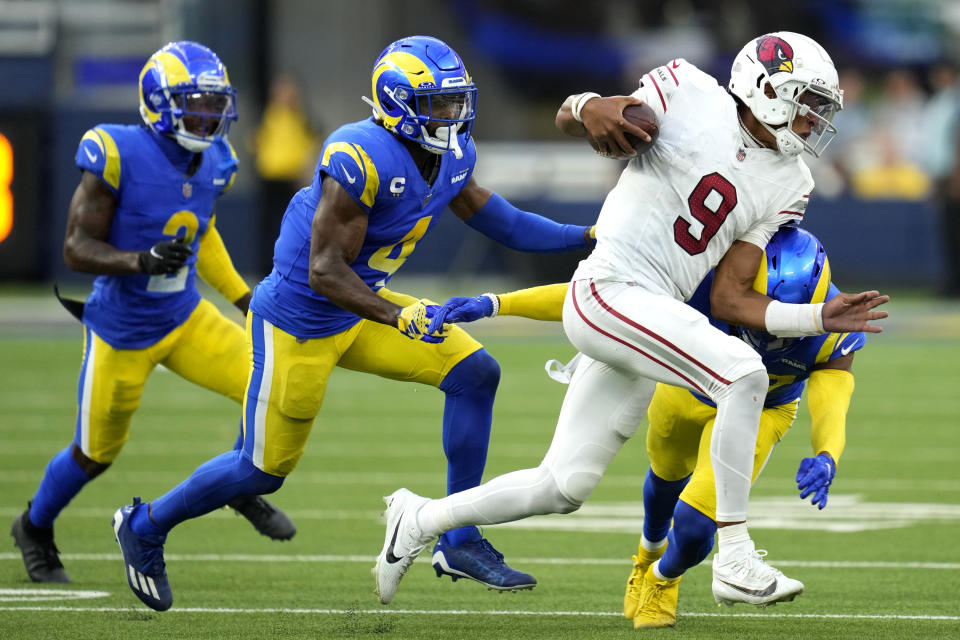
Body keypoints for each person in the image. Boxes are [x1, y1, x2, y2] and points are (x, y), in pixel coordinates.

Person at [373, 32, 889, 606]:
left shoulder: (792, 181)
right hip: (611, 287)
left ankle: (416, 518)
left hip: (652, 312)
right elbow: (573, 114)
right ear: (768, 89)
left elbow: (730, 300)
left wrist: (820, 316)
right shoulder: (690, 93)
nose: (815, 119)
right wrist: (586, 106)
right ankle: (735, 557)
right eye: (808, 101)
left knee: (563, 485)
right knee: (744, 373)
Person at [111, 35, 597, 612]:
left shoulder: (450, 152)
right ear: (397, 103)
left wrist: (584, 237)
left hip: (364, 306)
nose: (453, 115)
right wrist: (399, 314)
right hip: (302, 320)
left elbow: (501, 221)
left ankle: (458, 537)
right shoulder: (359, 154)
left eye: (455, 101)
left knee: (475, 373)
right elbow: (323, 271)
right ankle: (144, 524)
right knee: (262, 471)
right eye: (438, 105)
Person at [422, 226, 860, 628]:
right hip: (687, 389)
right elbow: (590, 300)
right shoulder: (702, 280)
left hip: (764, 409)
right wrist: (499, 304)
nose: (774, 331)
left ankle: (661, 577)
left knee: (696, 528)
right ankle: (646, 552)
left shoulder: (833, 327)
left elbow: (833, 395)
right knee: (665, 478)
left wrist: (827, 454)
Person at [9, 42, 296, 585]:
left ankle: (236, 483)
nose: (209, 116)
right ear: (158, 105)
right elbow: (75, 247)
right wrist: (138, 260)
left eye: (215, 105)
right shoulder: (115, 152)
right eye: (196, 104)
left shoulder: (216, 159)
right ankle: (34, 525)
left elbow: (200, 233)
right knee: (95, 454)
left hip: (184, 316)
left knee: (268, 386)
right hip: (122, 330)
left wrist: (248, 302)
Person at [252, 75, 318, 276]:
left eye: (289, 90)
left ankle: (293, 269)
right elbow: (256, 142)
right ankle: (267, 270)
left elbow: (314, 144)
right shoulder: (267, 115)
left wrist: (307, 170)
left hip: (292, 181)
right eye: (282, 90)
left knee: (294, 226)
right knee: (268, 227)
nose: (286, 95)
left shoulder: (303, 117)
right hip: (270, 180)